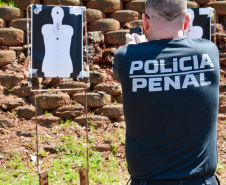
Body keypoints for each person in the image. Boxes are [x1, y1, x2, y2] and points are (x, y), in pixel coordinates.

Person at [112, 0, 220, 184]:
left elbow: (120, 75)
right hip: (200, 180)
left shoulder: (126, 57)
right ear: (186, 21)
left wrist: (137, 48)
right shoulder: (209, 51)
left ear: (145, 21)